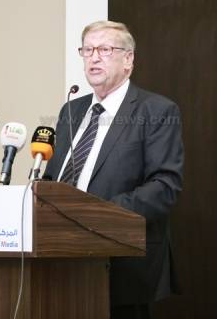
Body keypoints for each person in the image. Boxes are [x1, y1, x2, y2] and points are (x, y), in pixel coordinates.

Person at [44, 20, 183, 319]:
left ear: (128, 59)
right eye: (88, 50)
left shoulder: (156, 110)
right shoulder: (71, 110)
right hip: (60, 256)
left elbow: (164, 187)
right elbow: (52, 178)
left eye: (105, 49)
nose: (94, 57)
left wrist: (96, 215)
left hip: (121, 259)